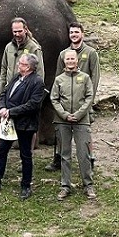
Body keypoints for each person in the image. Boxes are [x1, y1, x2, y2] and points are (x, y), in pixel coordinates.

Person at [0, 53, 46, 199]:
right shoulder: (16, 77)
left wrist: (11, 111)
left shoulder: (37, 82)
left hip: (25, 125)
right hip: (9, 123)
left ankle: (26, 186)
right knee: (2, 150)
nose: (18, 65)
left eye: (21, 63)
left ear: (28, 67)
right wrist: (2, 107)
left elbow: (33, 105)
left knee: (25, 155)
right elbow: (4, 93)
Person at [0, 17, 43, 168]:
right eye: (14, 31)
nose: (17, 34)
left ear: (26, 29)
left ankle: (26, 159)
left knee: (27, 128)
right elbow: (3, 69)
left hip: (25, 94)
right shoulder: (9, 47)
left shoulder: (34, 48)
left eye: (20, 31)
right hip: (10, 91)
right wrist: (1, 90)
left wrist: (35, 95)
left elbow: (40, 74)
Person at [47, 22, 101, 171]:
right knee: (60, 131)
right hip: (65, 100)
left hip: (83, 100)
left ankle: (89, 159)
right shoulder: (63, 54)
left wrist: (89, 101)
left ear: (82, 34)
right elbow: (58, 76)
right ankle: (58, 159)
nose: (74, 35)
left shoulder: (90, 53)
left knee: (86, 132)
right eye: (71, 33)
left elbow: (95, 77)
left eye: (76, 32)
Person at [50, 48, 95, 200]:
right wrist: (64, 115)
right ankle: (65, 186)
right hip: (62, 121)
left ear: (77, 61)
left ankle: (88, 185)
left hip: (81, 121)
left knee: (84, 154)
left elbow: (89, 97)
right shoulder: (59, 80)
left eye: (72, 59)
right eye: (67, 59)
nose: (70, 61)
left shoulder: (85, 78)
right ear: (64, 61)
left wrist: (78, 114)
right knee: (64, 154)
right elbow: (54, 99)